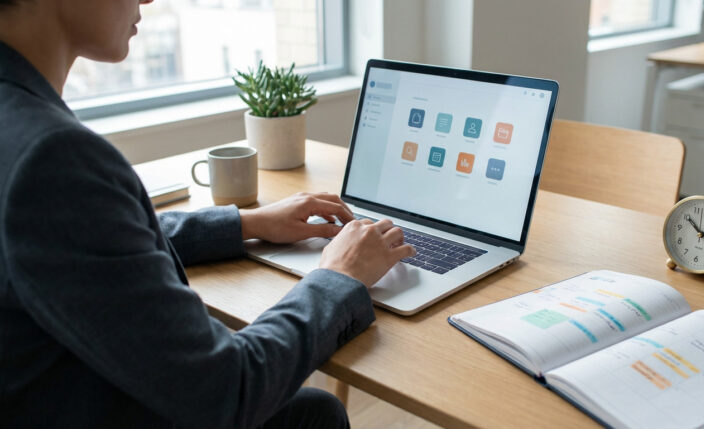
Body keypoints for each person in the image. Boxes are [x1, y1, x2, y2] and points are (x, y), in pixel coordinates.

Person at [0, 0, 415, 427]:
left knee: (311, 411)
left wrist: (247, 223)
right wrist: (339, 277)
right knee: (313, 415)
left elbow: (89, 242)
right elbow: (226, 390)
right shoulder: (50, 157)